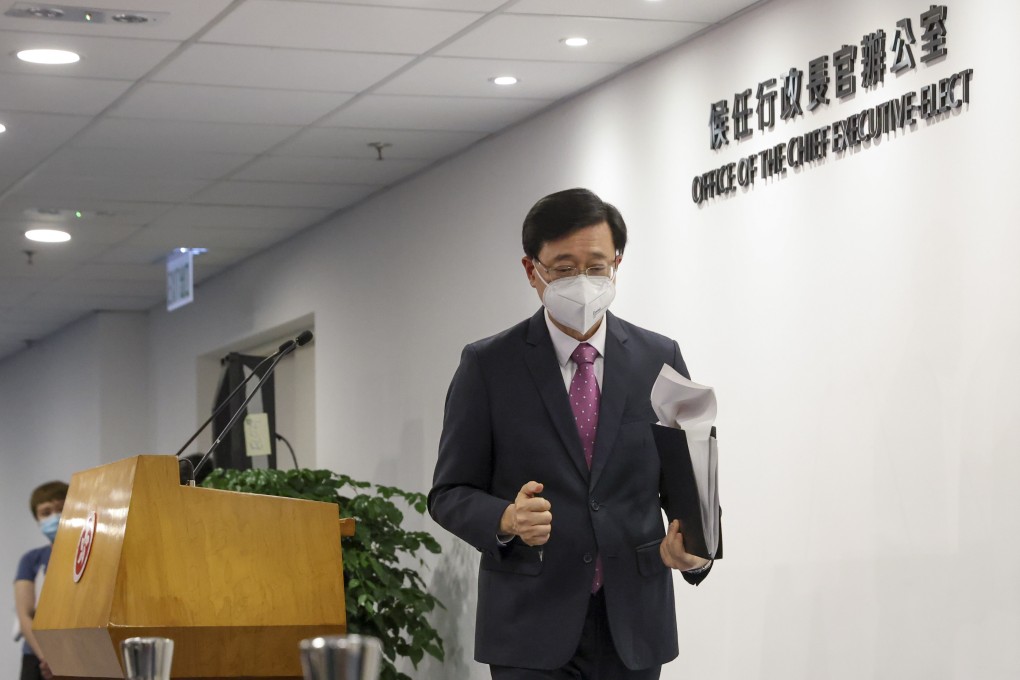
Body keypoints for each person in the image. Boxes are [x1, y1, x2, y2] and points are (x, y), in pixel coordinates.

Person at [429, 188, 713, 680]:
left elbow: (692, 485)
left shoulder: (658, 359)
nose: (582, 281)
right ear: (531, 271)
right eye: (563, 268)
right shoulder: (488, 366)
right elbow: (448, 493)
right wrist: (507, 518)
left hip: (634, 622)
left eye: (597, 266)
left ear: (617, 264)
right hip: (530, 625)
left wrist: (694, 551)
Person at [14, 481, 68, 680]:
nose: (54, 516)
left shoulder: (90, 554)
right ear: (37, 519)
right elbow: (25, 613)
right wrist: (47, 658)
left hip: (78, 653)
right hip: (37, 656)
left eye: (61, 509)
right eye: (46, 513)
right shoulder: (31, 560)